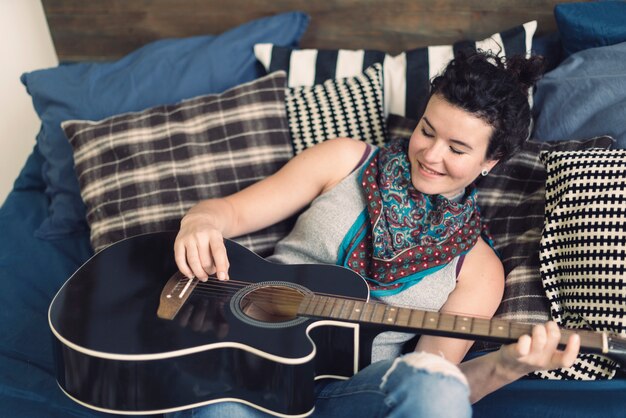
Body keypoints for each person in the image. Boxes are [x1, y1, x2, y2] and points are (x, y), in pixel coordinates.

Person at [169, 49, 580, 418]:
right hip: (245, 363)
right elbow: (230, 211)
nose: (431, 155)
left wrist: (509, 366)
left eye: (457, 149)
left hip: (344, 397)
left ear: (491, 161)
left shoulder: (478, 270)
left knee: (434, 385)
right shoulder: (344, 160)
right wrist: (201, 222)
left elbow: (436, 384)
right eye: (427, 130)